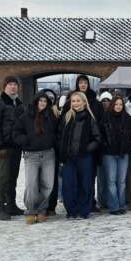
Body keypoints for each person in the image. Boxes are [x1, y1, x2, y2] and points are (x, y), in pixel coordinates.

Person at [13, 90, 58, 225]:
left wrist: (52, 141)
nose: (42, 103)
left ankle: (42, 210)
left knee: (48, 184)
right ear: (36, 101)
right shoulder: (26, 116)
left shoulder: (51, 116)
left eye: (45, 101)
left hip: (48, 155)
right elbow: (16, 132)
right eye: (40, 101)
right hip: (31, 155)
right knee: (32, 184)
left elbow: (57, 132)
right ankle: (31, 210)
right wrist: (26, 140)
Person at [58, 91, 102, 219]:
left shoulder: (90, 118)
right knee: (69, 185)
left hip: (84, 158)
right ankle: (71, 210)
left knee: (85, 184)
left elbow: (97, 138)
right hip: (69, 158)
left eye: (78, 101)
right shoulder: (67, 117)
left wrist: (87, 149)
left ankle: (83, 210)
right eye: (73, 101)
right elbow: (60, 136)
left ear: (84, 102)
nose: (75, 103)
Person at [0, 76, 24, 220]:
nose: (13, 87)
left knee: (13, 178)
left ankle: (11, 205)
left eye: (15, 85)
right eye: (10, 84)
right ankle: (0, 209)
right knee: (3, 178)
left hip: (16, 147)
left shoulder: (20, 104)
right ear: (4, 87)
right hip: (4, 147)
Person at [100, 95, 131, 215]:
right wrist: (105, 145)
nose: (118, 106)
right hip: (109, 154)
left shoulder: (127, 118)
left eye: (120, 104)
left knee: (121, 181)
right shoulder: (105, 118)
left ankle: (122, 205)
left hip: (123, 153)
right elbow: (101, 135)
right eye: (116, 104)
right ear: (112, 105)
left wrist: (129, 145)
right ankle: (114, 206)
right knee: (111, 181)